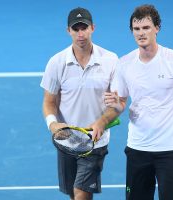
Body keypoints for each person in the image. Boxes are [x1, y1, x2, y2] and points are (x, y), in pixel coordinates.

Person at [104, 4, 173, 200]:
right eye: (136, 29)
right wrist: (116, 105)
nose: (141, 33)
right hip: (138, 149)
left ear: (157, 28)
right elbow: (121, 102)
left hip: (170, 150)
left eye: (146, 27)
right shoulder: (124, 64)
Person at [40, 7, 118, 200]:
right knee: (73, 195)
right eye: (76, 29)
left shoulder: (111, 60)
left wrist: (103, 120)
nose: (80, 33)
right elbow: (49, 102)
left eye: (84, 28)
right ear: (69, 31)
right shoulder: (56, 62)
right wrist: (53, 124)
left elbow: (117, 104)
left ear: (93, 28)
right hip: (68, 139)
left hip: (95, 141)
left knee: (81, 193)